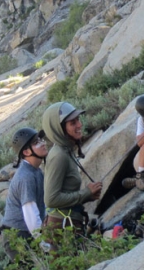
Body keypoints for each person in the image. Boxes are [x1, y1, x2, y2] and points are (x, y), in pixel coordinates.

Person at [41, 101, 102, 235]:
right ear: (59, 129)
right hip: (62, 230)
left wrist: (88, 196)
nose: (79, 124)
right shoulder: (59, 156)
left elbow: (65, 191)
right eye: (72, 123)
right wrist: (85, 194)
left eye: (78, 120)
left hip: (69, 225)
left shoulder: (65, 150)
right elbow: (51, 199)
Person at [0, 127, 48, 261]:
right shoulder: (26, 176)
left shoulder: (35, 171)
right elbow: (30, 215)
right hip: (17, 237)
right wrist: (45, 244)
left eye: (41, 139)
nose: (43, 143)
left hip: (26, 233)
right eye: (36, 142)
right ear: (26, 151)